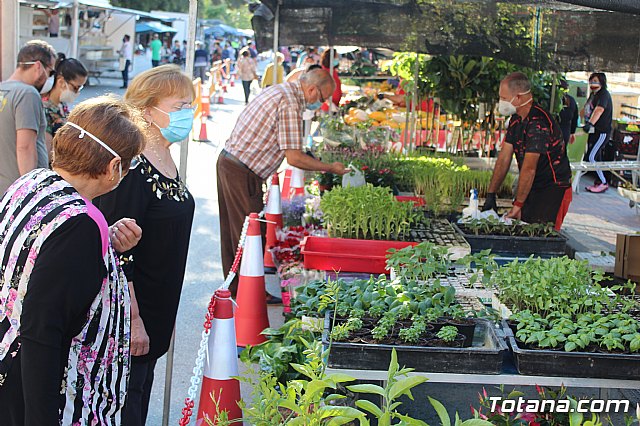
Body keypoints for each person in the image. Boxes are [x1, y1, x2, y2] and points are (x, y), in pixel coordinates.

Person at [0, 95, 146, 425]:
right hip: (37, 389)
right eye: (129, 164)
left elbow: (40, 252)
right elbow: (42, 329)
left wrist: (105, 247)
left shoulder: (34, 181)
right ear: (112, 167)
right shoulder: (79, 227)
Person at [95, 65, 196, 426]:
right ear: (148, 111)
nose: (188, 112)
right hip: (130, 312)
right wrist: (134, 319)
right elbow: (119, 253)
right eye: (180, 105)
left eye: (190, 104)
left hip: (157, 304)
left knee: (140, 390)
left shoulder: (166, 157)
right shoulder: (134, 168)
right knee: (126, 399)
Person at [218, 68, 348, 297]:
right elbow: (294, 157)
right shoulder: (290, 103)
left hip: (233, 164)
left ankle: (238, 288)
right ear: (311, 89)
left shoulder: (283, 92)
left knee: (236, 233)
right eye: (322, 98)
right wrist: (330, 167)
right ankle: (250, 294)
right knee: (249, 234)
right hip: (241, 171)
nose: (323, 103)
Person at [482, 72, 572, 230]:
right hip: (532, 187)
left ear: (518, 98)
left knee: (542, 233)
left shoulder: (539, 123)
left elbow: (529, 168)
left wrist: (518, 204)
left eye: (503, 98)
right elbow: (504, 158)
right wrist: (491, 194)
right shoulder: (516, 119)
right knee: (524, 227)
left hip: (553, 189)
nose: (501, 102)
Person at [0, 40, 56, 194]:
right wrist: (29, 193)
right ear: (38, 66)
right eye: (50, 72)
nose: (50, 79)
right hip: (15, 193)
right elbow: (25, 147)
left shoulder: (3, 90)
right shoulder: (27, 94)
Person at [41, 53, 88, 154]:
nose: (78, 92)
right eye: (76, 88)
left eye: (80, 88)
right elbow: (47, 152)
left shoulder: (62, 105)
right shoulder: (45, 110)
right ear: (61, 82)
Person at [582, 72, 613, 193]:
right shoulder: (593, 95)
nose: (592, 84)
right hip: (594, 131)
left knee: (592, 156)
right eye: (591, 81)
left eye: (595, 81)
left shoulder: (604, 95)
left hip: (602, 132)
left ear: (602, 82)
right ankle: (599, 181)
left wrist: (590, 123)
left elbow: (599, 110)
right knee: (596, 157)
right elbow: (586, 108)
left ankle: (603, 182)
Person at [558, 79, 578, 146]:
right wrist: (572, 132)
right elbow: (575, 118)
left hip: (554, 131)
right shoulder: (572, 100)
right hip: (565, 132)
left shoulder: (554, 99)